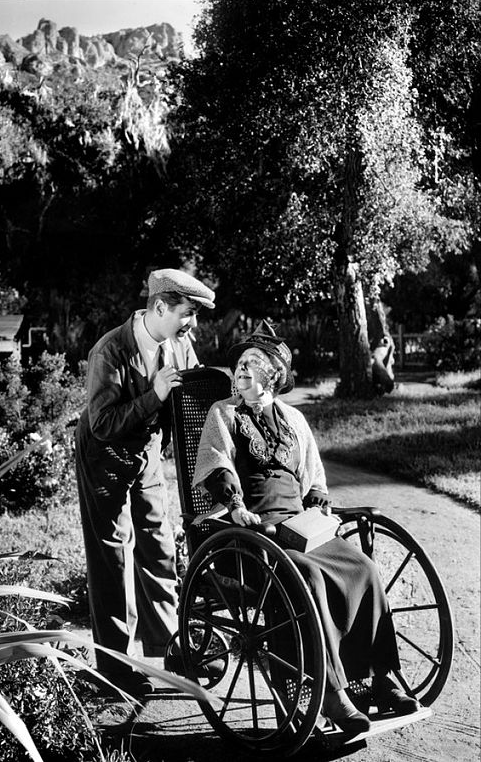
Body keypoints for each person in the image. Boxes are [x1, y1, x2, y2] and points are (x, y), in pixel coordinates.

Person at [192, 321, 420, 736]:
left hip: (302, 525)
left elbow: (313, 479)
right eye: (240, 365)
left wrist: (321, 511)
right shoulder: (223, 414)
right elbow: (216, 464)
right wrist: (237, 506)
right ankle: (329, 694)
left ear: (273, 377)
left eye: (252, 365)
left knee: (363, 569)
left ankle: (376, 680)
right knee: (308, 578)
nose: (241, 371)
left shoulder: (294, 419)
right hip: (254, 529)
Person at [75, 268, 215, 697]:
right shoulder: (110, 352)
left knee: (158, 547)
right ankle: (115, 669)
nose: (192, 324)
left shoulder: (180, 343)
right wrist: (152, 396)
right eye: (187, 313)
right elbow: (102, 424)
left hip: (147, 453)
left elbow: (189, 396)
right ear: (160, 307)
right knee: (113, 557)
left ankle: (170, 651)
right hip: (105, 457)